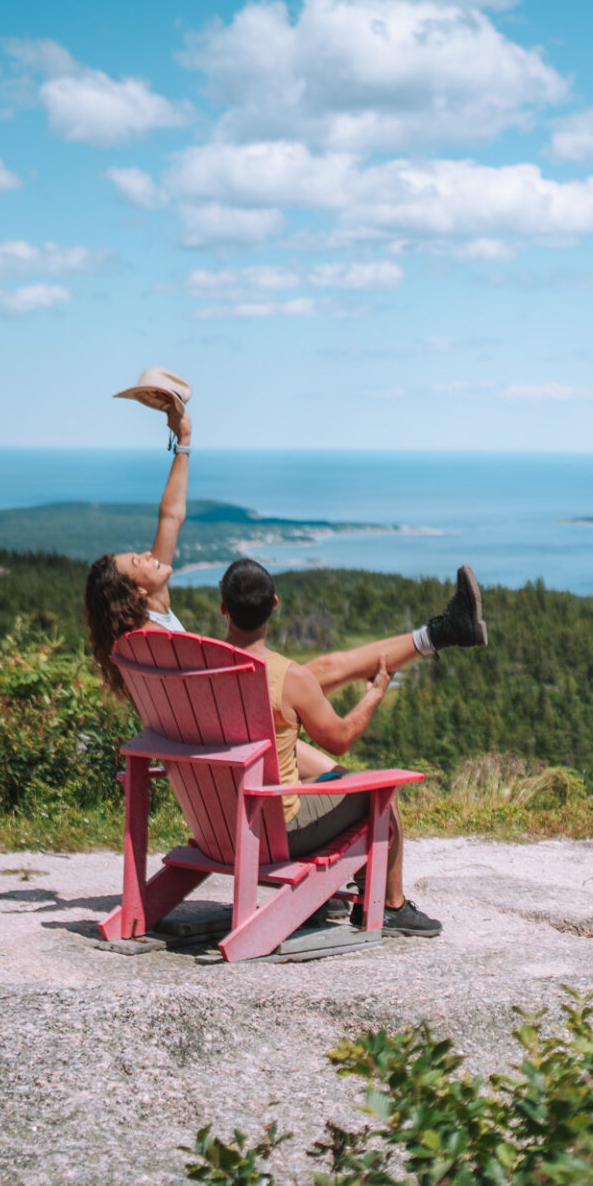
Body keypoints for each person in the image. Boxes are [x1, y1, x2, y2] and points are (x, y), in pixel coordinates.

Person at [81, 367, 488, 716]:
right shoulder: (153, 634)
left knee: (325, 705)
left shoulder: (139, 639)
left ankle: (446, 632)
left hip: (210, 727)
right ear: (135, 591)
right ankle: (443, 632)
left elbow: (170, 515)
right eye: (138, 560)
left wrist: (183, 439)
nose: (150, 554)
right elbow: (170, 517)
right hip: (231, 720)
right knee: (323, 672)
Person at [217, 557, 441, 937]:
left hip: (216, 825)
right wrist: (374, 694)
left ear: (223, 610)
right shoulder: (289, 677)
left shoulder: (199, 667)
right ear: (274, 605)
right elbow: (340, 739)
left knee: (331, 779)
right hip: (276, 831)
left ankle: (327, 895)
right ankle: (389, 905)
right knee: (379, 792)